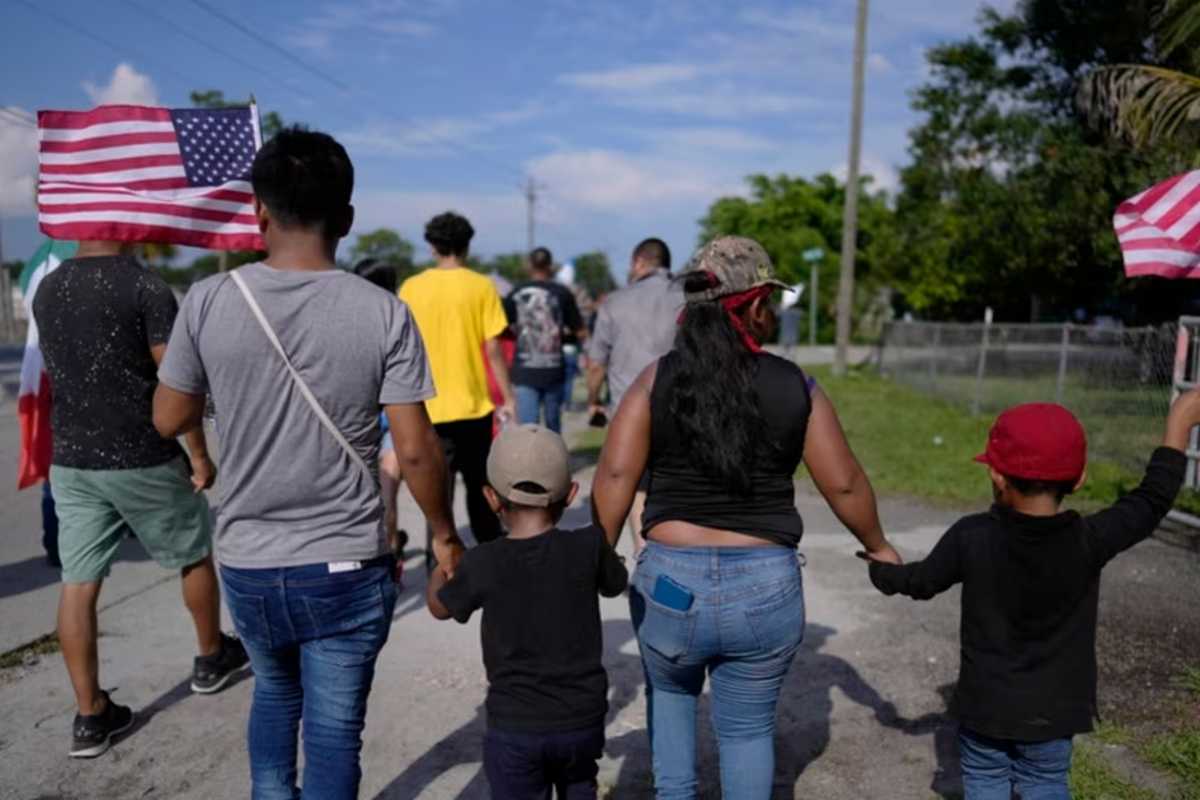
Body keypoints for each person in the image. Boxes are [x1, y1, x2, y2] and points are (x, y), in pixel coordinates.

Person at [154, 127, 460, 800]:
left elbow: (168, 418)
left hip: (250, 560)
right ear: (346, 219)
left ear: (259, 211)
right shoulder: (384, 312)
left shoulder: (208, 300)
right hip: (346, 562)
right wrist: (442, 531)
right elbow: (414, 448)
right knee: (332, 731)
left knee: (273, 696)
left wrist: (227, 396)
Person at [591, 236, 901, 799]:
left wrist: (599, 551)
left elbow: (614, 477)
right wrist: (877, 545)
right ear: (755, 305)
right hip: (764, 589)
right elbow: (845, 481)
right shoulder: (794, 386)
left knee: (672, 703)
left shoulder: (654, 380)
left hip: (668, 587)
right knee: (747, 731)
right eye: (772, 304)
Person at [861, 399, 1196, 800]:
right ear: (1079, 479)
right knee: (1045, 785)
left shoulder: (972, 536)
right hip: (1054, 715)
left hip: (985, 710)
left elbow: (919, 581)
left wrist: (882, 568)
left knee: (985, 783)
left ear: (996, 475)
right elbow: (1152, 500)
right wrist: (1179, 422)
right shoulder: (1090, 540)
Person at [32, 240, 247, 759]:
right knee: (193, 552)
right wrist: (198, 455)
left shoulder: (48, 287)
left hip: (73, 460)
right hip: (143, 455)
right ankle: (210, 656)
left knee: (78, 582)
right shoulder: (146, 287)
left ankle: (89, 714)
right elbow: (175, 382)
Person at [427, 424, 628, 799]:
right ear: (570, 495)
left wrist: (441, 569)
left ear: (490, 497)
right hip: (582, 723)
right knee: (581, 787)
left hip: (515, 728)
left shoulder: (484, 561)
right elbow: (616, 583)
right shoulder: (588, 546)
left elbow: (440, 608)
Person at [400, 212, 516, 558]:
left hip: (427, 405)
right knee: (481, 485)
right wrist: (507, 396)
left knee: (436, 490)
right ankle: (490, 555)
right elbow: (494, 347)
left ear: (432, 246)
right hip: (473, 403)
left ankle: (441, 558)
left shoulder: (411, 288)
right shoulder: (481, 286)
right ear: (467, 245)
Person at [586, 238, 682, 550]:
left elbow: (596, 363)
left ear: (639, 261)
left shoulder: (614, 302)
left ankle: (645, 554)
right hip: (682, 410)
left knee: (637, 486)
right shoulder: (689, 299)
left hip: (630, 413)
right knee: (676, 485)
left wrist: (593, 400)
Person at [353, 257, 410, 573]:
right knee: (388, 491)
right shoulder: (400, 319)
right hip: (394, 416)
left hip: (356, 417)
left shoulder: (343, 319)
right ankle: (391, 555)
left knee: (361, 494)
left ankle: (376, 554)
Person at [505, 247, 587, 434]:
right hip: (553, 368)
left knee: (527, 428)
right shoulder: (562, 293)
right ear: (550, 266)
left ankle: (529, 462)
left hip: (524, 369)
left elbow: (502, 328)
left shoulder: (516, 292)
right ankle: (554, 461)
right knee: (552, 425)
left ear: (529, 266)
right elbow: (581, 331)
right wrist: (565, 338)